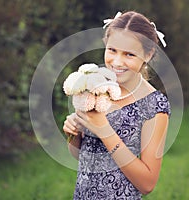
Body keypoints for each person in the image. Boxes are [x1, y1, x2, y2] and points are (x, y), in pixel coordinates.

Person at [63, 11, 171, 199]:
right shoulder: (96, 87)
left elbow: (147, 184)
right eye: (112, 50)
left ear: (148, 54)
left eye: (129, 54)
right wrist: (73, 134)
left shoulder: (154, 105)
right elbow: (82, 157)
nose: (117, 62)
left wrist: (105, 130)